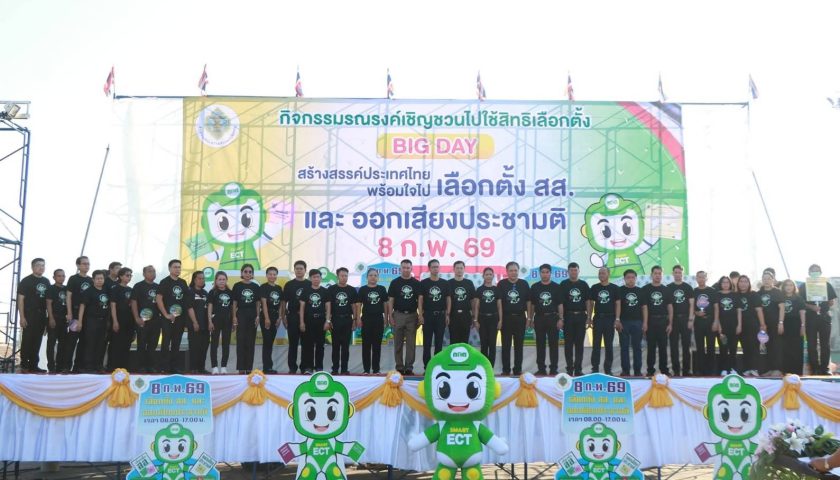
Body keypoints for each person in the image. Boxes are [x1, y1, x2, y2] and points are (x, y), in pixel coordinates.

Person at [156, 259, 194, 374]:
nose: (178, 269)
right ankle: (164, 367)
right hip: (167, 318)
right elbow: (159, 299)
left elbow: (186, 300)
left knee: (176, 343)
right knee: (166, 342)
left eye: (179, 267)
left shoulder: (183, 282)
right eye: (175, 267)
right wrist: (166, 314)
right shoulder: (164, 282)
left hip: (180, 319)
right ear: (169, 269)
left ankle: (174, 367)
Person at [799, 264, 837, 375]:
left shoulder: (827, 285)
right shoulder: (804, 286)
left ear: (820, 272)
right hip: (810, 318)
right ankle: (815, 368)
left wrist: (824, 304)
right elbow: (800, 302)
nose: (815, 272)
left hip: (824, 317)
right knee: (811, 344)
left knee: (825, 344)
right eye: (812, 270)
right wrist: (811, 307)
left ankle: (825, 368)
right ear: (809, 273)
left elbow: (831, 301)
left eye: (817, 270)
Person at [16, 258, 50, 373]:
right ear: (32, 267)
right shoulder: (26, 281)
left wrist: (47, 318)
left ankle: (34, 365)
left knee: (37, 340)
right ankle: (24, 364)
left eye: (43, 265)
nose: (41, 267)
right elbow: (20, 299)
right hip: (29, 314)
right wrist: (22, 317)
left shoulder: (46, 281)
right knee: (27, 340)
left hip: (42, 315)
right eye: (38, 265)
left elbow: (48, 301)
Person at [388, 259, 421, 375]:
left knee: (411, 344)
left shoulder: (416, 283)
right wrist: (390, 316)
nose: (406, 269)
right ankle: (399, 367)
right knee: (398, 343)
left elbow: (420, 301)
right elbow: (391, 300)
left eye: (408, 268)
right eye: (404, 267)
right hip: (398, 315)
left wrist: (420, 315)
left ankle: (409, 367)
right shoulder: (395, 282)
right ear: (400, 269)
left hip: (412, 315)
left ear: (411, 269)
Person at [496, 261, 530, 376]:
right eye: (511, 270)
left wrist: (529, 318)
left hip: (520, 318)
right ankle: (506, 370)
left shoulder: (524, 284)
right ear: (507, 272)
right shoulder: (501, 284)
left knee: (519, 346)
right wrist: (500, 320)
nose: (513, 272)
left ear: (518, 271)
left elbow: (528, 302)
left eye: (515, 270)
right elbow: (499, 304)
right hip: (506, 318)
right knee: (505, 345)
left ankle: (517, 369)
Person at [528, 264, 560, 375]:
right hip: (539, 318)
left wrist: (561, 319)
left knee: (553, 345)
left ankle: (553, 369)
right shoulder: (535, 287)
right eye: (543, 272)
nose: (545, 274)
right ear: (540, 273)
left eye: (547, 272)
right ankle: (541, 369)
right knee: (540, 345)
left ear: (550, 273)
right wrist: (530, 319)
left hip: (553, 317)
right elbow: (532, 305)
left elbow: (560, 304)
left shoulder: (556, 287)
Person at [559, 262, 590, 376]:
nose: (573, 272)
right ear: (568, 272)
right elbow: (560, 303)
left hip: (581, 316)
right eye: (571, 270)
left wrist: (589, 317)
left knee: (579, 344)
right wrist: (561, 318)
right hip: (568, 317)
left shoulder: (583, 284)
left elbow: (588, 302)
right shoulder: (563, 284)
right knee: (568, 344)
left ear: (578, 271)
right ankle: (569, 369)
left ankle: (578, 369)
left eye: (575, 270)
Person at [419, 259, 451, 368]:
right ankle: (427, 367)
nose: (435, 269)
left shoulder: (445, 283)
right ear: (429, 268)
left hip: (441, 316)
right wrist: (420, 315)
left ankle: (437, 366)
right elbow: (420, 300)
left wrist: (447, 314)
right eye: (433, 267)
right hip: (427, 315)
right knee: (427, 343)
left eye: (437, 266)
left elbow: (448, 299)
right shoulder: (424, 283)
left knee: (439, 343)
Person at [357, 269, 389, 374]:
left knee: (377, 346)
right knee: (366, 345)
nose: (373, 277)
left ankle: (376, 369)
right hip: (366, 319)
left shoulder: (382, 289)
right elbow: (359, 304)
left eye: (375, 275)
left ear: (378, 277)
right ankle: (366, 370)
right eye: (371, 275)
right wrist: (358, 318)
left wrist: (386, 318)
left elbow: (385, 304)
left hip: (378, 319)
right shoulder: (363, 289)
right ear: (367, 277)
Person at [642, 265, 672, 376]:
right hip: (650, 321)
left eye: (660, 273)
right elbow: (644, 307)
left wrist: (670, 323)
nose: (658, 275)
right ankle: (650, 371)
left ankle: (664, 370)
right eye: (655, 273)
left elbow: (670, 307)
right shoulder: (645, 289)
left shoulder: (666, 289)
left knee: (663, 347)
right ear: (651, 275)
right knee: (651, 348)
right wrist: (645, 323)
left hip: (663, 321)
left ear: (662, 275)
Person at [299, 269, 330, 374]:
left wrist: (327, 321)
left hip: (321, 320)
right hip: (308, 320)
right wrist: (302, 322)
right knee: (308, 345)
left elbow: (328, 307)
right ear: (310, 278)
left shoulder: (325, 291)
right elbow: (302, 308)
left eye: (318, 277)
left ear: (321, 278)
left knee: (320, 345)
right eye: (314, 277)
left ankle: (319, 367)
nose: (316, 279)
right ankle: (309, 367)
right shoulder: (306, 291)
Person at [589, 266, 619, 375]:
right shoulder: (594, 287)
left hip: (610, 319)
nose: (601, 275)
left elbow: (618, 304)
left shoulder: (615, 288)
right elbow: (591, 303)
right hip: (598, 318)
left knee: (609, 345)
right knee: (596, 344)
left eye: (603, 273)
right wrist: (589, 318)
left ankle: (608, 369)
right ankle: (595, 368)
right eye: (600, 273)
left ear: (608, 274)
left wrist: (617, 319)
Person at [78, 270, 109, 372]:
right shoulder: (89, 291)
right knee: (90, 343)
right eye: (98, 278)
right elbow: (82, 306)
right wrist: (80, 321)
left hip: (103, 321)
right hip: (91, 320)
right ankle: (88, 366)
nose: (100, 280)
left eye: (102, 278)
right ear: (93, 279)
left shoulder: (106, 290)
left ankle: (98, 365)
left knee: (101, 344)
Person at [65, 256, 92, 373]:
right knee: (71, 341)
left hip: (87, 315)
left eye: (88, 264)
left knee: (84, 342)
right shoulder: (73, 279)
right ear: (78, 265)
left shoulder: (91, 280)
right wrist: (69, 312)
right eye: (84, 264)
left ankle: (78, 367)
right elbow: (68, 296)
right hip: (75, 313)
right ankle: (66, 367)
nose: (87, 266)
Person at [232, 264, 260, 374]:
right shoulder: (237, 286)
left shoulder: (256, 286)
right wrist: (234, 316)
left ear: (252, 274)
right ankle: (241, 368)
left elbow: (258, 303)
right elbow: (234, 303)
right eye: (245, 271)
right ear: (242, 273)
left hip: (252, 314)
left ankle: (249, 368)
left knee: (250, 341)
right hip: (241, 314)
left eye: (250, 272)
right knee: (241, 341)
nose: (248, 274)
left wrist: (258, 316)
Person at [328, 267, 357, 374]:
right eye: (342, 276)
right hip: (335, 319)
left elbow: (354, 306)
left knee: (345, 346)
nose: (344, 278)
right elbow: (328, 306)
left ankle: (344, 369)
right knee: (335, 346)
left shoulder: (351, 290)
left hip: (347, 319)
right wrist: (328, 320)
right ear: (337, 276)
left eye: (346, 276)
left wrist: (354, 320)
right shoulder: (331, 289)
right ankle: (335, 369)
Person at [131, 265, 160, 373]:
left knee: (153, 344)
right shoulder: (138, 286)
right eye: (150, 271)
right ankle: (141, 366)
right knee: (142, 344)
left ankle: (151, 366)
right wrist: (136, 318)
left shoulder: (158, 287)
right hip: (142, 320)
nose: (152, 273)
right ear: (144, 274)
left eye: (154, 271)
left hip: (155, 321)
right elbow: (134, 302)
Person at [282, 260, 309, 374]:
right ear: (294, 270)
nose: (299, 270)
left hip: (306, 317)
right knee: (293, 343)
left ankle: (304, 367)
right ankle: (292, 368)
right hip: (292, 316)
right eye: (297, 268)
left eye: (301, 268)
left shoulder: (309, 284)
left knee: (306, 343)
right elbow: (284, 302)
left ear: (305, 270)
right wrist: (283, 316)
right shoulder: (289, 284)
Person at [668, 265, 694, 376]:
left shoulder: (688, 287)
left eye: (680, 272)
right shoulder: (668, 287)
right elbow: (667, 305)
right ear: (673, 273)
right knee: (673, 347)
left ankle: (686, 371)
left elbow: (692, 304)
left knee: (686, 346)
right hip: (673, 320)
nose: (678, 274)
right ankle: (676, 371)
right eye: (676, 272)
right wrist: (669, 322)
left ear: (682, 274)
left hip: (685, 319)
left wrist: (690, 319)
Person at [736, 275, 766, 377]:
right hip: (740, 326)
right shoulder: (735, 295)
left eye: (745, 281)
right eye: (741, 281)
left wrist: (762, 324)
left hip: (753, 325)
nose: (743, 284)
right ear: (738, 283)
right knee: (745, 348)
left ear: (749, 283)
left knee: (754, 347)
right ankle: (747, 369)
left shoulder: (754, 294)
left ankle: (755, 369)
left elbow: (759, 310)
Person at [757, 271, 785, 376]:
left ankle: (777, 368)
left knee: (776, 346)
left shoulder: (777, 292)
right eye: (764, 279)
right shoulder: (759, 293)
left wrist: (781, 322)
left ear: (773, 280)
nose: (766, 281)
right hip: (762, 324)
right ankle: (767, 369)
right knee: (765, 346)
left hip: (775, 323)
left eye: (769, 278)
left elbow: (782, 308)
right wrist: (761, 324)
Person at [617, 269, 644, 376]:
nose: (631, 279)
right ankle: (625, 371)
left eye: (633, 277)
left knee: (637, 347)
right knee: (624, 347)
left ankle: (637, 371)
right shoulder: (619, 290)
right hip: (623, 322)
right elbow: (617, 306)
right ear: (624, 279)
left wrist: (645, 322)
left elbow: (644, 308)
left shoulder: (640, 291)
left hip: (637, 322)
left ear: (636, 279)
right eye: (628, 277)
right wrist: (617, 320)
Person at [692, 271, 719, 376]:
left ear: (706, 278)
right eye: (699, 277)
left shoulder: (712, 291)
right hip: (698, 323)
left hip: (710, 322)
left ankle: (711, 371)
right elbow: (691, 307)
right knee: (700, 347)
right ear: (696, 278)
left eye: (703, 277)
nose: (701, 279)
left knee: (711, 347)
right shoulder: (694, 291)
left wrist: (716, 321)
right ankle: (700, 370)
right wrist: (696, 312)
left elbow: (716, 307)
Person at [108, 267, 135, 371]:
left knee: (126, 344)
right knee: (116, 344)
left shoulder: (131, 290)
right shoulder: (115, 288)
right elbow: (113, 305)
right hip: (119, 319)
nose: (129, 277)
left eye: (130, 275)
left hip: (129, 320)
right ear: (120, 276)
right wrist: (115, 321)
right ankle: (113, 367)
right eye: (127, 275)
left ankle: (124, 367)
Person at [714, 276, 741, 375]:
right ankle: (724, 369)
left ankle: (733, 368)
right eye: (723, 282)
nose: (725, 284)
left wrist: (739, 325)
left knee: (733, 348)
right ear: (720, 284)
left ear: (730, 284)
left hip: (734, 325)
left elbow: (739, 311)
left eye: (727, 282)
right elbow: (716, 311)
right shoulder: (717, 295)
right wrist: (719, 325)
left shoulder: (735, 294)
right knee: (723, 348)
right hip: (722, 326)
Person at [207, 271, 233, 374]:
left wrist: (234, 321)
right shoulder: (212, 292)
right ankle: (214, 367)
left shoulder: (230, 292)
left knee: (226, 344)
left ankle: (223, 367)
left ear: (226, 280)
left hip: (227, 321)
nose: (222, 281)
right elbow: (209, 308)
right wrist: (210, 321)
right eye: (220, 279)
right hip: (215, 321)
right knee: (214, 344)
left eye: (223, 279)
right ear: (216, 281)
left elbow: (233, 308)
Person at [474, 267, 500, 366]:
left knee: (492, 344)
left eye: (490, 274)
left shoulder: (496, 289)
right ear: (483, 276)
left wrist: (500, 320)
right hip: (482, 319)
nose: (488, 276)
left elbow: (499, 306)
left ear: (493, 276)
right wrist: (476, 320)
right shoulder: (480, 289)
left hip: (494, 319)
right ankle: (484, 366)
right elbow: (476, 306)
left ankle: (491, 367)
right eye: (486, 274)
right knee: (484, 344)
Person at [780, 279, 807, 375]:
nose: (788, 287)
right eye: (786, 285)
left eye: (791, 285)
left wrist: (803, 326)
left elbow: (802, 312)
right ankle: (786, 371)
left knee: (796, 349)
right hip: (784, 325)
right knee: (785, 348)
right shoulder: (780, 297)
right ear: (783, 287)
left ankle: (797, 372)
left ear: (794, 287)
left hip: (796, 325)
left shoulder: (798, 298)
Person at [259, 267, 283, 374]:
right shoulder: (263, 287)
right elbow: (263, 303)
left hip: (275, 316)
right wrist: (267, 318)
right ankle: (266, 367)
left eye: (274, 274)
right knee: (267, 342)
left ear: (276, 275)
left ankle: (269, 366)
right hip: (266, 316)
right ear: (266, 275)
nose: (272, 276)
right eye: (270, 274)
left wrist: (279, 317)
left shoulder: (279, 288)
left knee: (270, 342)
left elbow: (281, 304)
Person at [45, 269, 68, 373]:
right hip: (54, 318)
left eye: (63, 276)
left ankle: (60, 366)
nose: (61, 278)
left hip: (64, 320)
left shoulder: (66, 289)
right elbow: (48, 304)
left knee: (63, 344)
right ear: (54, 277)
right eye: (59, 276)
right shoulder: (51, 288)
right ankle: (51, 366)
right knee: (51, 343)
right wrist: (51, 318)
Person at [448, 261, 476, 345]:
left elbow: (473, 300)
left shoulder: (469, 283)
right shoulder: (449, 283)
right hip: (453, 315)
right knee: (453, 342)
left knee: (465, 342)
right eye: (457, 268)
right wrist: (447, 315)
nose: (459, 270)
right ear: (454, 269)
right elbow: (447, 300)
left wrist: (473, 316)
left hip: (466, 315)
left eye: (461, 268)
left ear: (464, 269)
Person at [188, 271, 210, 374]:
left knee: (203, 348)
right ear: (194, 280)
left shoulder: (205, 293)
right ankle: (193, 369)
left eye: (203, 278)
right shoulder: (190, 292)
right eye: (199, 278)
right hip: (194, 325)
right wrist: (195, 322)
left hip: (205, 326)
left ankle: (201, 368)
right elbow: (189, 308)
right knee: (194, 348)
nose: (202, 280)